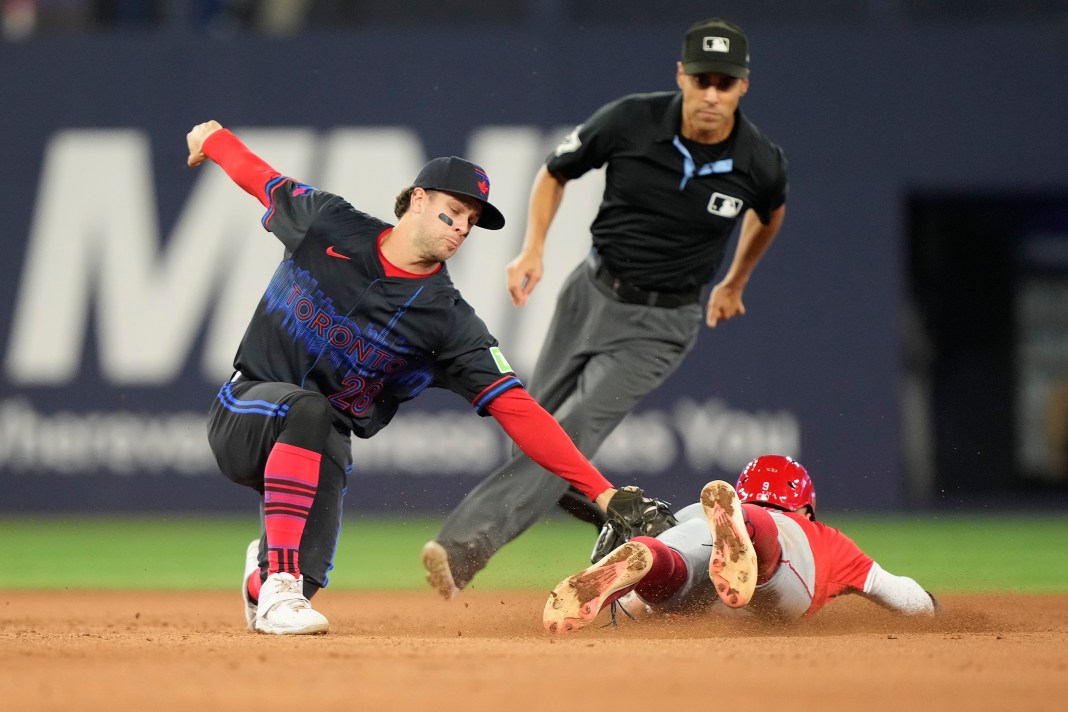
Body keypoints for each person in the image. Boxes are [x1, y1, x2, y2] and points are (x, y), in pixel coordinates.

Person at [186, 119, 662, 635]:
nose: (461, 227)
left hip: (321, 449)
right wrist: (211, 139)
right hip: (245, 409)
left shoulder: (448, 321)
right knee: (308, 409)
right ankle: (277, 580)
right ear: (417, 199)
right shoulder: (329, 223)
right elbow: (261, 178)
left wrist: (604, 493)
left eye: (470, 221)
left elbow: (519, 409)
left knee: (305, 585)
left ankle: (268, 580)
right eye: (453, 211)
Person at [423, 16, 789, 598]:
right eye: (702, 80)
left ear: (743, 86)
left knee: (575, 429)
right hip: (590, 293)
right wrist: (533, 248)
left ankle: (466, 548)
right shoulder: (631, 120)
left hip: (662, 323)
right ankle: (635, 525)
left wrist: (736, 280)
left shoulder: (758, 160)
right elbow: (554, 171)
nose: (712, 94)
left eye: (725, 82)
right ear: (682, 77)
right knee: (532, 425)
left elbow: (770, 212)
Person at [543, 455, 939, 634]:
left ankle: (650, 554)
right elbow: (898, 592)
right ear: (804, 507)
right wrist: (931, 607)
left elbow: (640, 609)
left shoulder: (697, 513)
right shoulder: (819, 534)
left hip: (694, 517)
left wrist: (631, 596)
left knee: (672, 569)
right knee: (773, 569)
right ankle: (748, 531)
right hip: (760, 537)